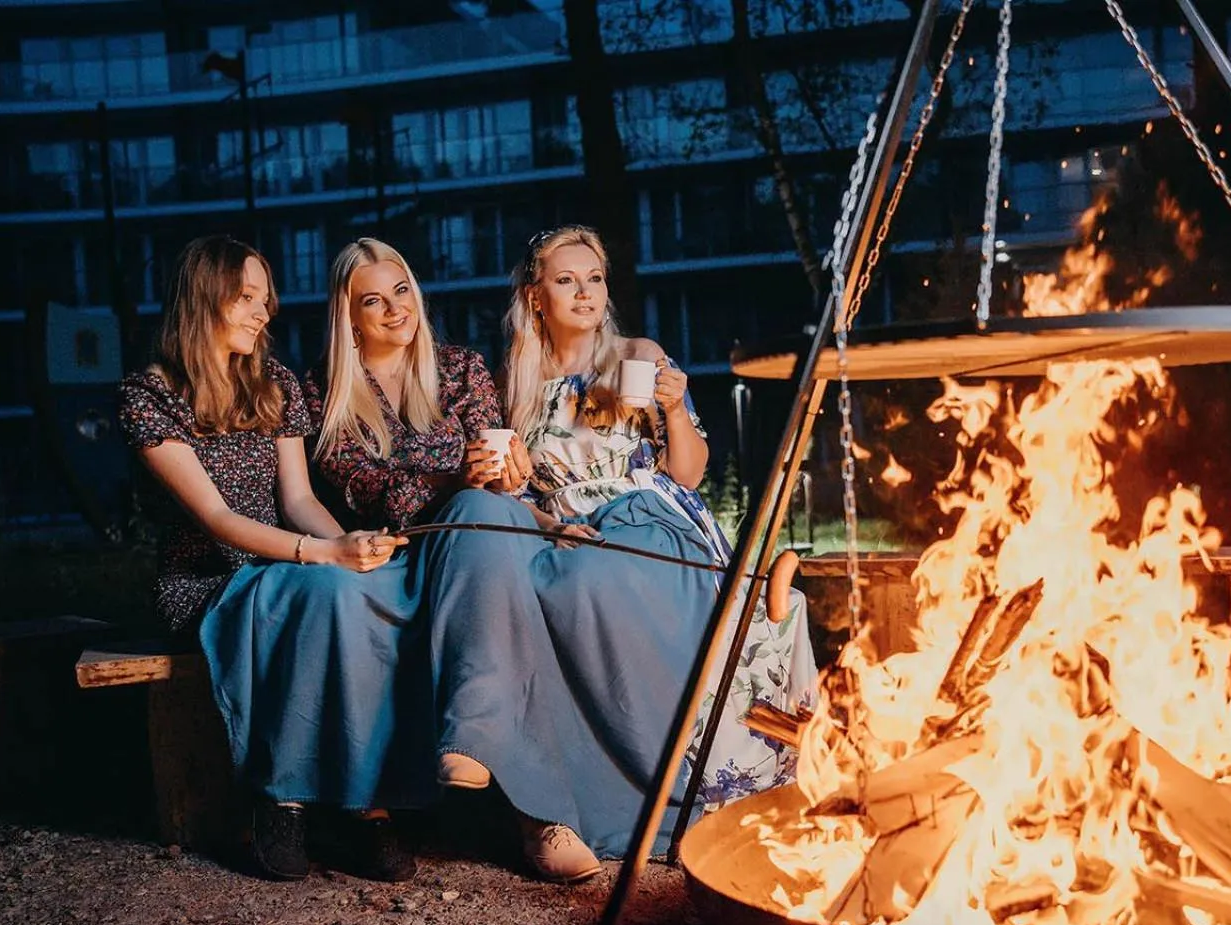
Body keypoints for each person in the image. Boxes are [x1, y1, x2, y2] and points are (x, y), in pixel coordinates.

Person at [118, 235, 425, 884]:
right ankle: (285, 799)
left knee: (357, 590)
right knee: (319, 589)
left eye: (267, 299)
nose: (265, 312)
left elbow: (299, 499)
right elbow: (218, 520)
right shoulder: (149, 398)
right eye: (247, 298)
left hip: (282, 567)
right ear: (205, 301)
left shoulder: (273, 382)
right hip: (205, 581)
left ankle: (358, 799)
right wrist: (321, 554)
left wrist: (351, 546)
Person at [503, 225, 816, 856]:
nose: (584, 293)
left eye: (594, 279)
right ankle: (597, 797)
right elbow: (519, 499)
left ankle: (700, 789)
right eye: (566, 280)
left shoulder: (637, 354)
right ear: (537, 296)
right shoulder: (515, 385)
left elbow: (690, 473)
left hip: (650, 513)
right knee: (546, 589)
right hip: (569, 532)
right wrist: (551, 524)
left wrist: (674, 408)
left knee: (603, 577)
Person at [305, 237, 603, 883]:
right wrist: (458, 485)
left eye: (402, 291)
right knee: (477, 514)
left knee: (488, 513)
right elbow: (371, 491)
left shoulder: (461, 368)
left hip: (486, 537)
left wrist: (523, 492)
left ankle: (477, 736)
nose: (393, 311)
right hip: (400, 554)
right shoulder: (322, 393)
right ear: (349, 317)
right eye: (372, 301)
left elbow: (501, 483)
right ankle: (540, 819)